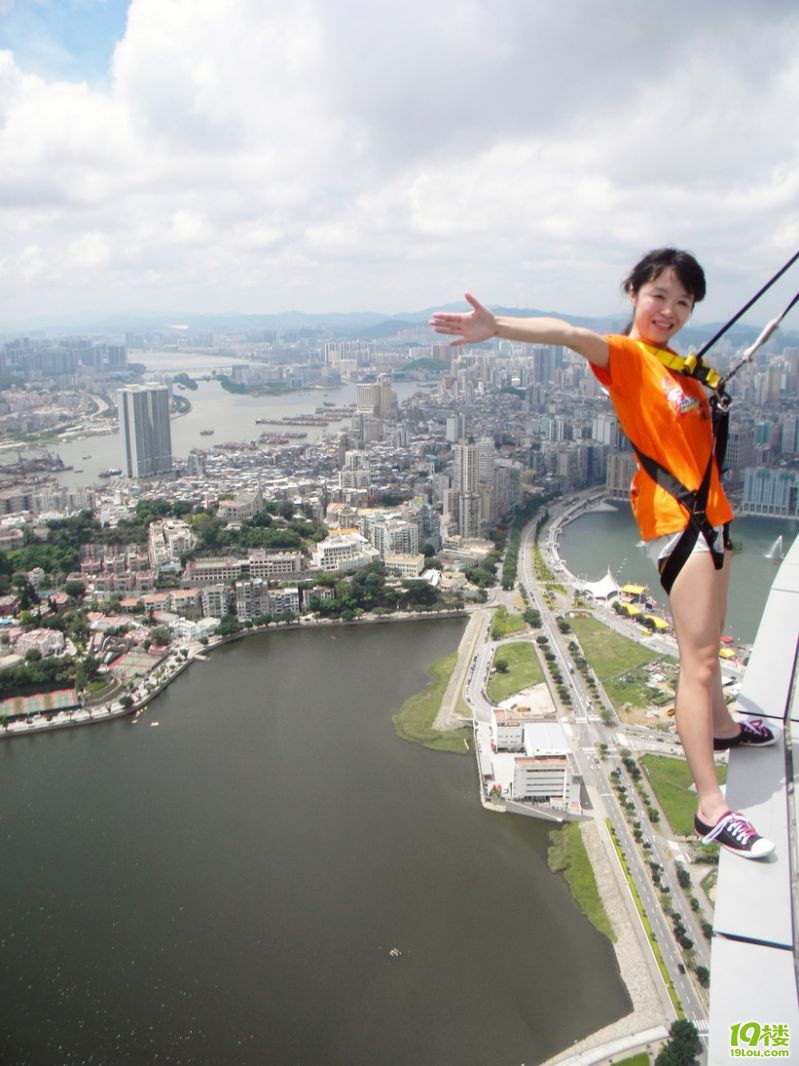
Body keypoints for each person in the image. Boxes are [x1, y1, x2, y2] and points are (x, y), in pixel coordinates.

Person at [430, 248, 776, 859]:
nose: (669, 309)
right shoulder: (627, 357)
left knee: (713, 639)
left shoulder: (676, 365)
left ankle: (722, 728)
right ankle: (710, 808)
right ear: (634, 293)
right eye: (658, 295)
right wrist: (498, 327)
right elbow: (568, 335)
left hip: (711, 516)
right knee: (697, 662)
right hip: (678, 521)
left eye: (683, 301)